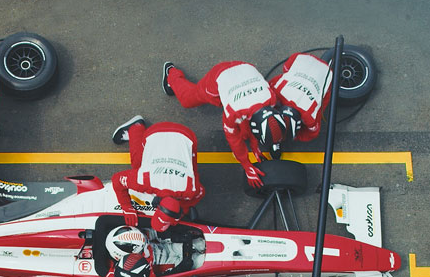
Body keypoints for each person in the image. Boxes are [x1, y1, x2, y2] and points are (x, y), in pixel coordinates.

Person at [161, 61, 299, 189]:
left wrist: (255, 147)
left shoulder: (271, 98)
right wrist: (246, 165)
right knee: (188, 99)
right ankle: (171, 75)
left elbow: (253, 123)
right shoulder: (233, 112)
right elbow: (235, 142)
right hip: (220, 75)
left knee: (244, 130)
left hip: (245, 69)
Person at [110, 116, 204, 232]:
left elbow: (200, 192)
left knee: (192, 171)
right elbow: (116, 180)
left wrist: (183, 209)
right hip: (160, 133)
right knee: (138, 165)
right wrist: (126, 208)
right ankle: (136, 127)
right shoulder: (143, 182)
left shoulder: (191, 191)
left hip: (186, 135)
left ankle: (136, 128)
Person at [269, 52, 332, 144]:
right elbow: (278, 79)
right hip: (300, 59)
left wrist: (291, 137)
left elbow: (311, 134)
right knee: (286, 72)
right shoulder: (275, 92)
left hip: (326, 72)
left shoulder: (310, 118)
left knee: (324, 98)